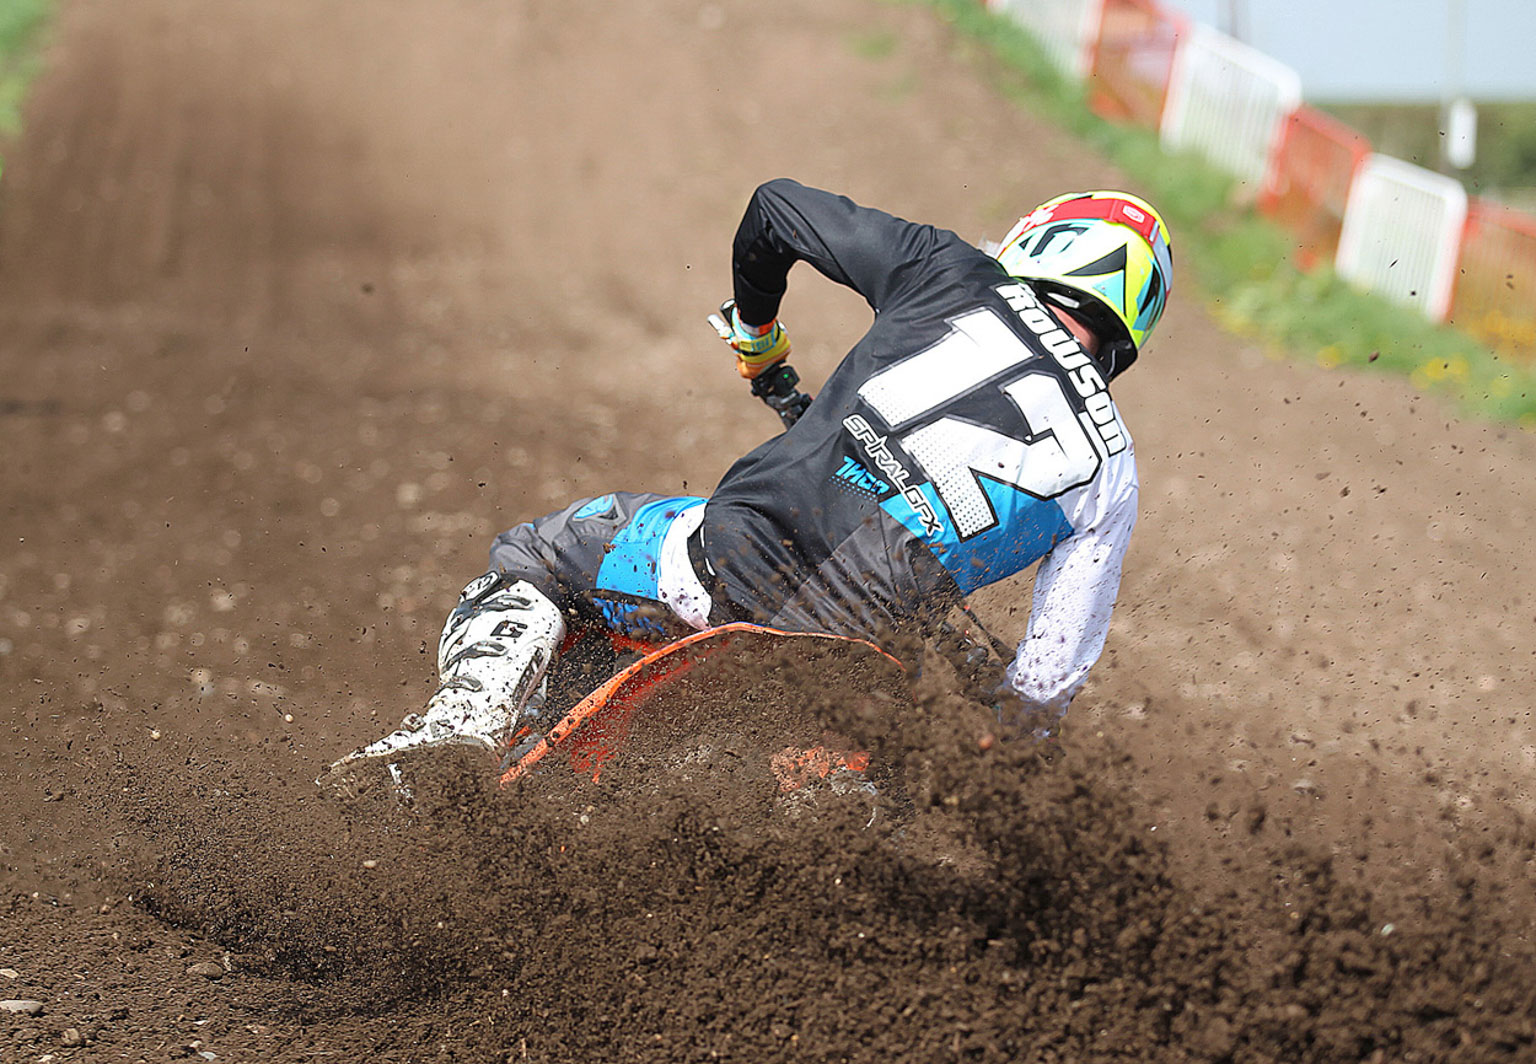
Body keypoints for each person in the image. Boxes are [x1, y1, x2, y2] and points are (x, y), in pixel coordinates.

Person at [321, 179, 1172, 788]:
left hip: (723, 571)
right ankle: (832, 790)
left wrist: (760, 335)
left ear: (1040, 246)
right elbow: (1044, 686)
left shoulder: (951, 273)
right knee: (896, 733)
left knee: (540, 554)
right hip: (855, 669)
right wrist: (996, 746)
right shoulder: (1112, 468)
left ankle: (460, 731)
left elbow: (775, 208)